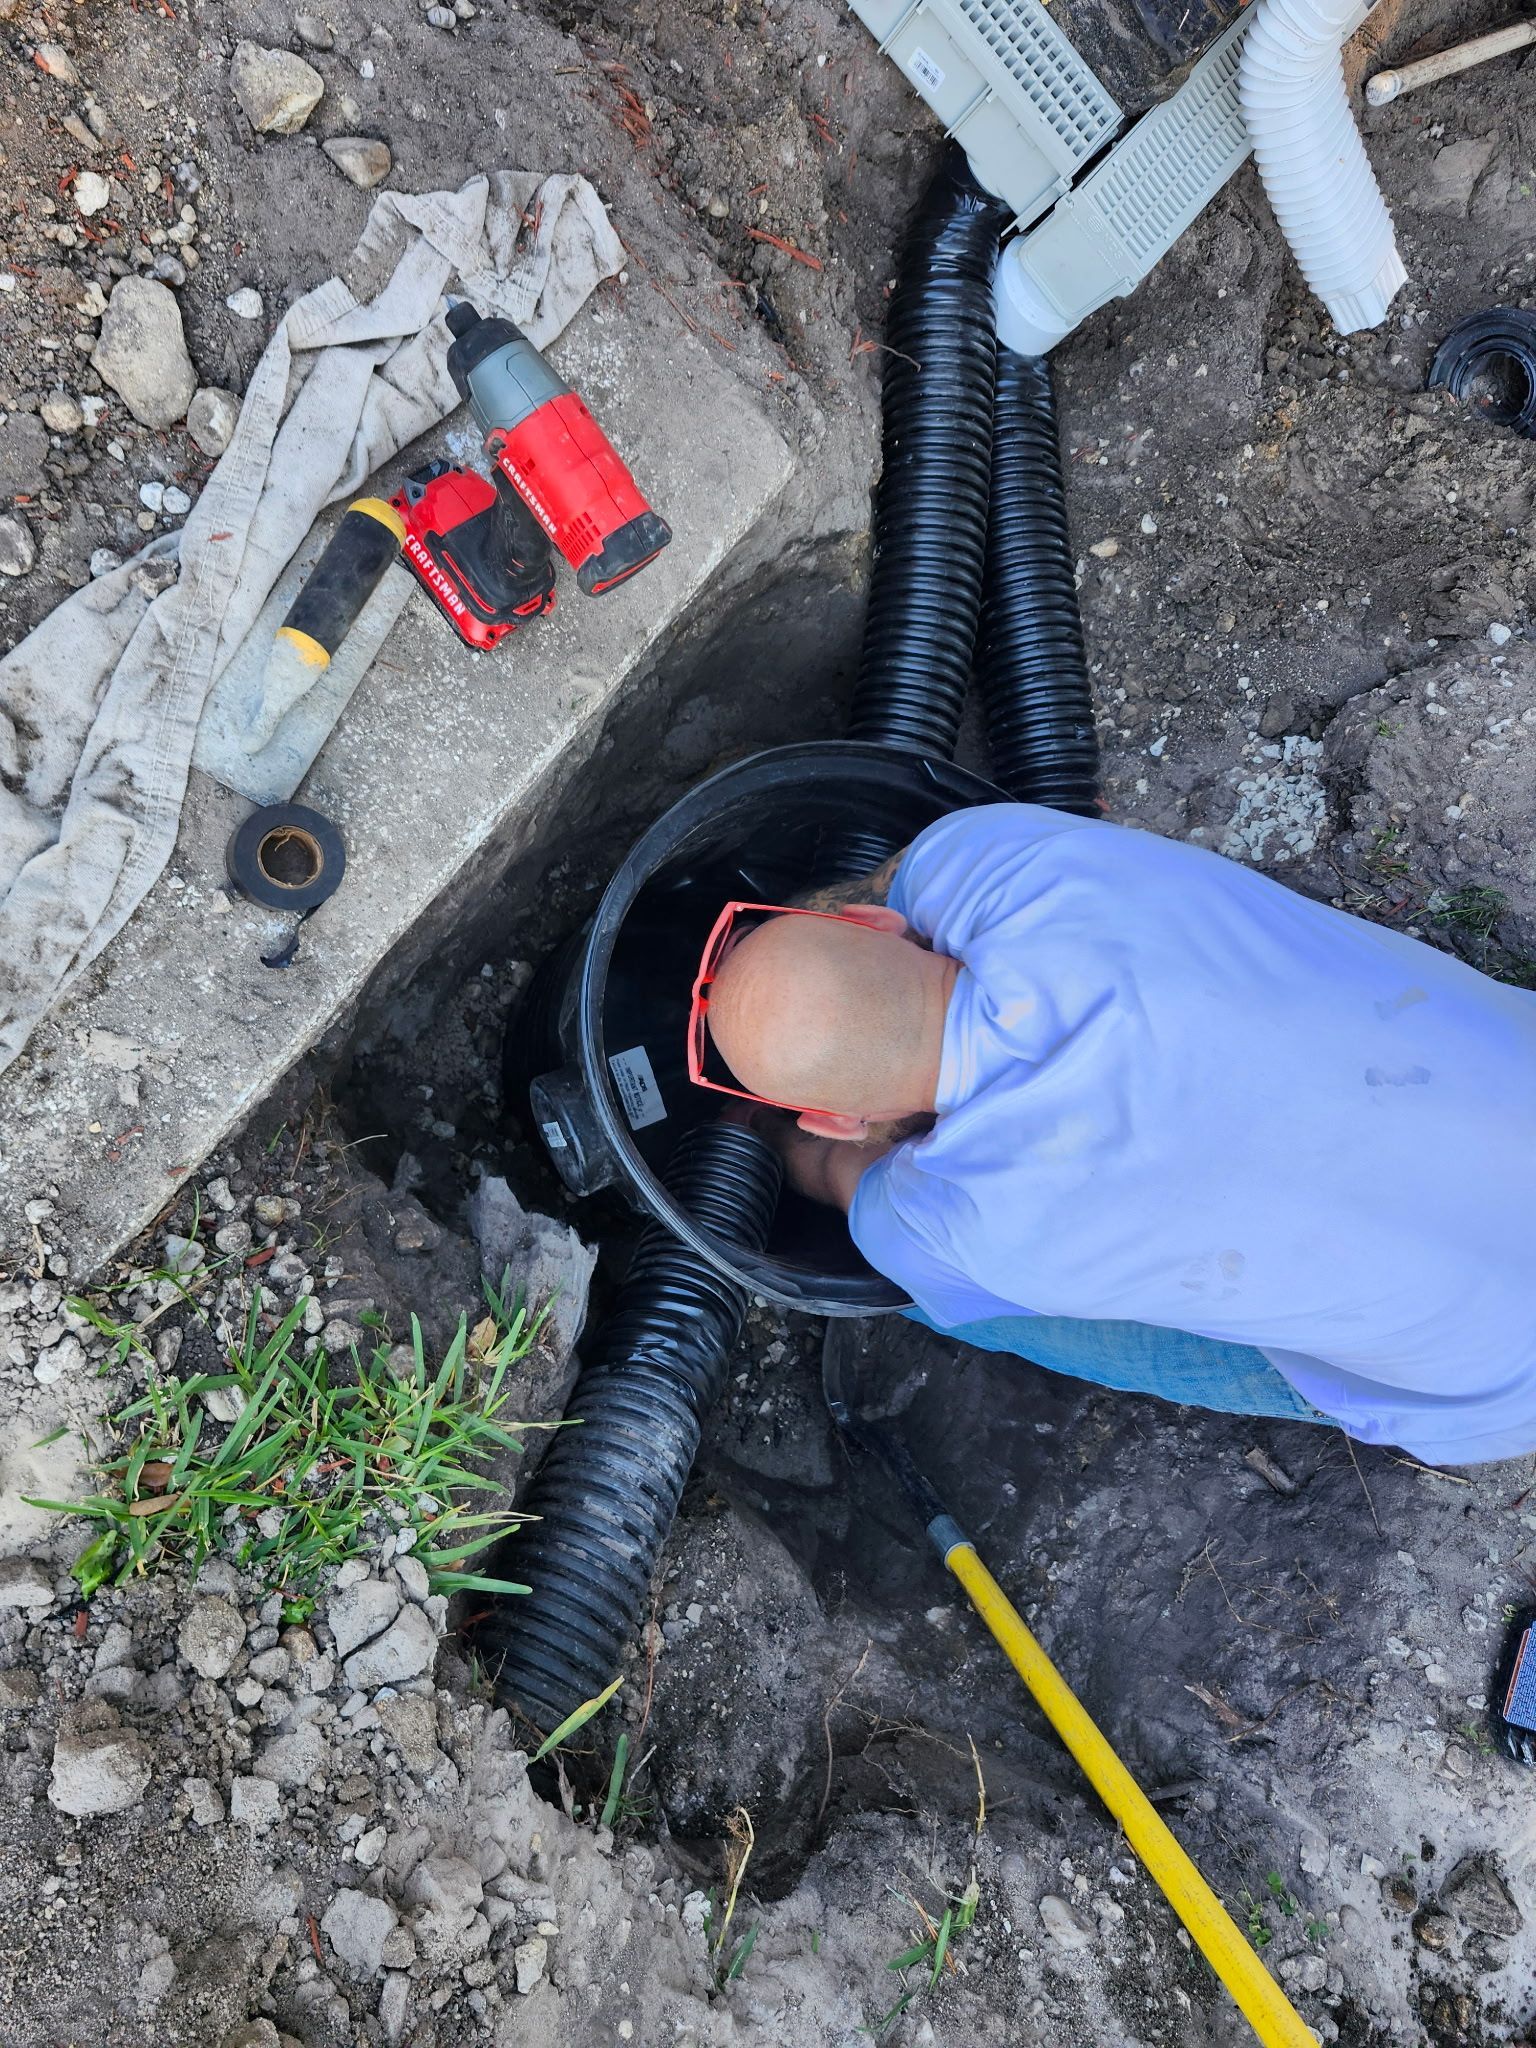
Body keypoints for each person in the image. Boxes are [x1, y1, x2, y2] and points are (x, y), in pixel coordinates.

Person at [691, 804, 1536, 1465]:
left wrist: (762, 1132)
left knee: (960, 1308)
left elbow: (831, 1172)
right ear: (874, 929)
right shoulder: (994, 863)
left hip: (1508, 1390)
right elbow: (890, 884)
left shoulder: (944, 1229)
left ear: (839, 1119)